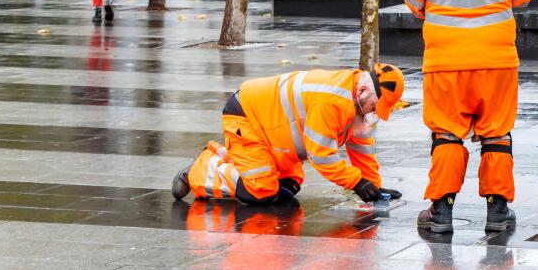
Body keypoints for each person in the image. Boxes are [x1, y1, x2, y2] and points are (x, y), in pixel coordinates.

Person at [404, 0, 535, 233]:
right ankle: (497, 211)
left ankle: (442, 213)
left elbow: (413, 0)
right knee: (497, 134)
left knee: (446, 132)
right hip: (497, 60)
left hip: (446, 62)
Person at [171, 64, 407, 206]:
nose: (375, 112)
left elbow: (361, 145)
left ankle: (233, 157)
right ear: (364, 90)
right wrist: (357, 183)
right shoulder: (332, 102)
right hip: (247, 117)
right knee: (261, 191)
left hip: (272, 132)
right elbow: (321, 155)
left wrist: (374, 186)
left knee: (288, 187)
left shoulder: (356, 99)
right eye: (376, 106)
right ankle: (202, 168)